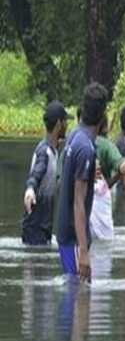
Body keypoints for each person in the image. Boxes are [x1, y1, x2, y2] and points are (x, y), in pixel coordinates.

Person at [56, 83, 108, 283]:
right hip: (74, 238)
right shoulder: (85, 148)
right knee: (78, 297)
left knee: (74, 294)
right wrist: (84, 251)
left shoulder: (74, 135)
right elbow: (79, 203)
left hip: (65, 233)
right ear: (103, 115)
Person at [22, 101, 72, 246]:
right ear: (58, 124)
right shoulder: (44, 152)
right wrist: (30, 189)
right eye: (65, 122)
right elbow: (36, 173)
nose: (67, 126)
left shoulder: (54, 150)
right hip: (35, 228)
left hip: (43, 226)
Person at [91, 115, 125, 241]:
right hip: (100, 204)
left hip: (78, 203)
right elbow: (120, 162)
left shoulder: (73, 141)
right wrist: (124, 170)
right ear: (105, 127)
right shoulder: (106, 145)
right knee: (104, 239)